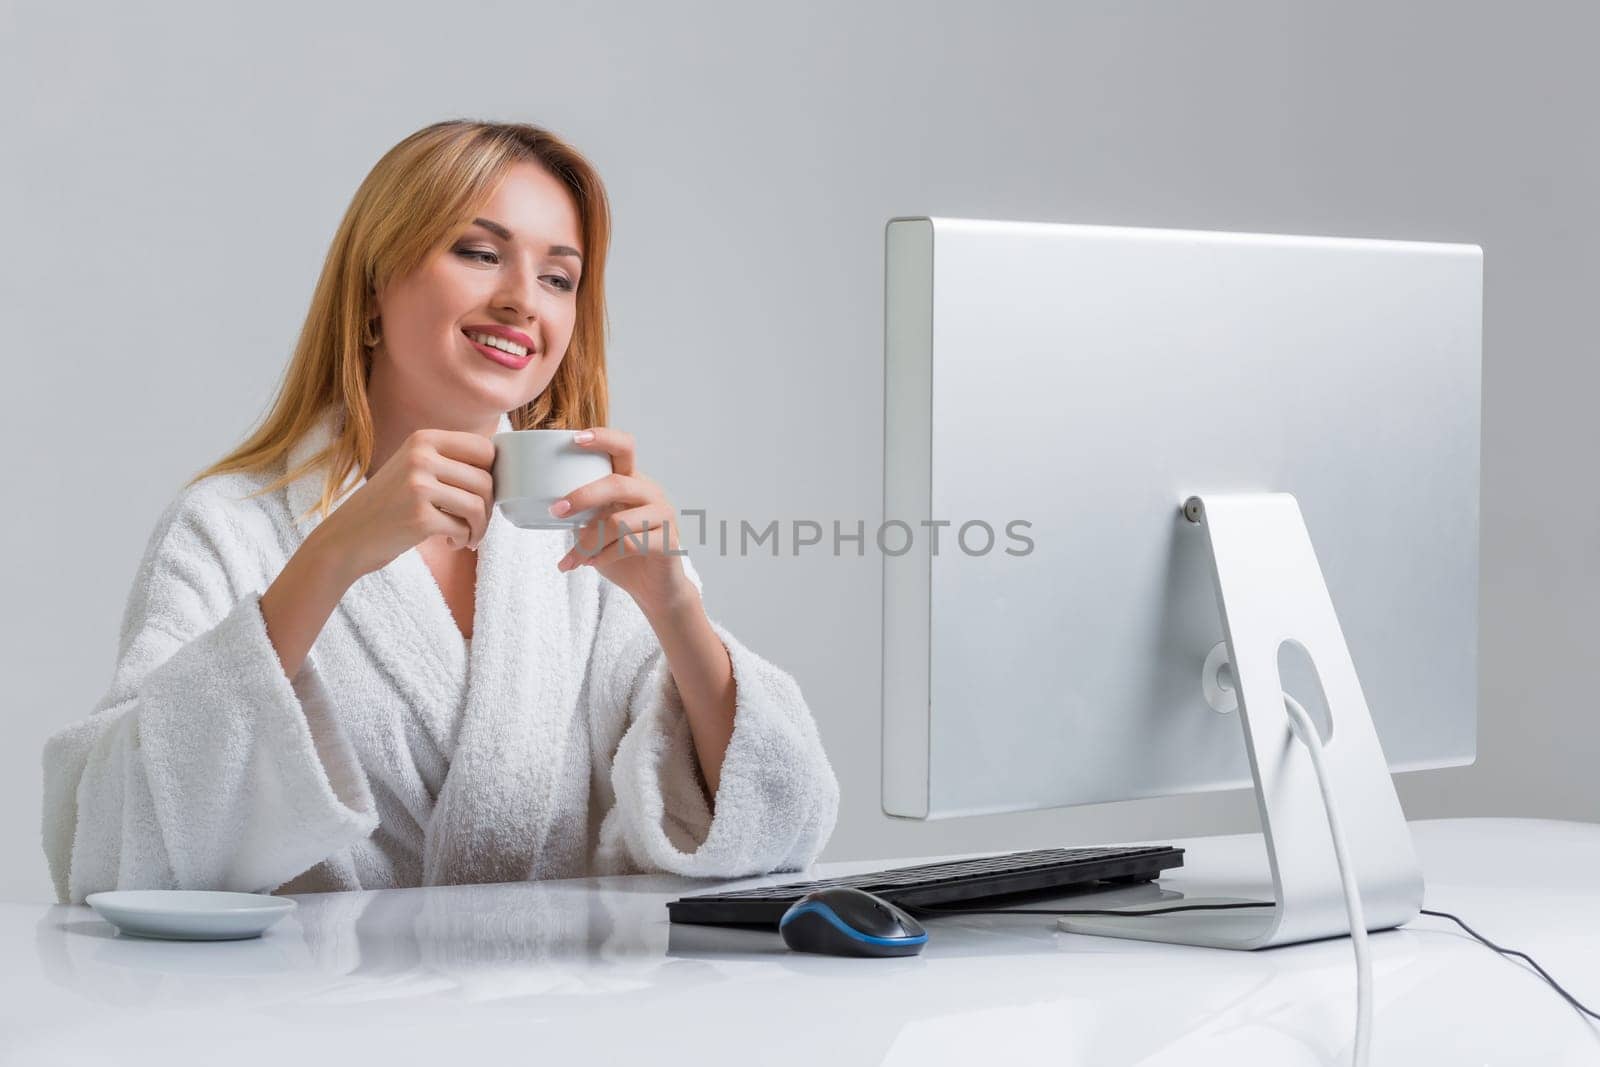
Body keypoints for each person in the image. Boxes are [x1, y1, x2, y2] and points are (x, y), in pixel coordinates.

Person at [40, 119, 839, 905]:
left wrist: (675, 606)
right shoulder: (228, 527)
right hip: (308, 1024)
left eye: (559, 278)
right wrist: (329, 558)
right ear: (372, 292)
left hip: (560, 1025)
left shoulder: (593, 539)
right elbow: (110, 848)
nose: (524, 299)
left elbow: (780, 833)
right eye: (480, 253)